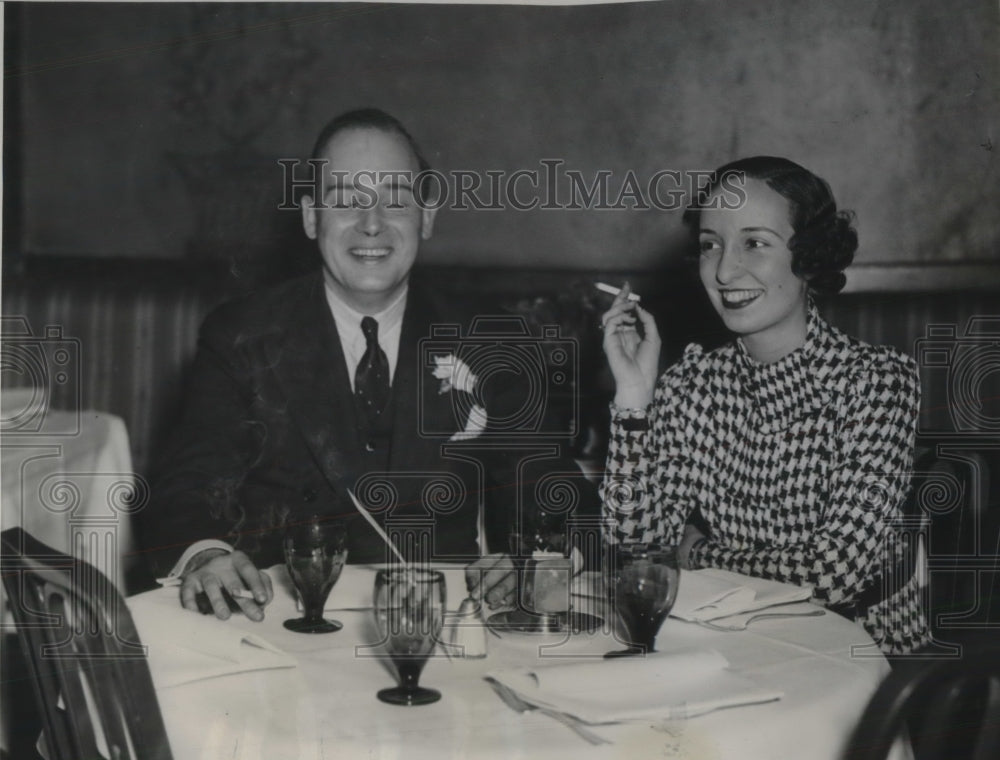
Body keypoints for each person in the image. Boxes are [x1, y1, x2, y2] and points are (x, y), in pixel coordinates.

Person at [142, 108, 593, 620]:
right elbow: (189, 483)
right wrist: (208, 552)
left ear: (427, 215)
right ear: (312, 217)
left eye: (395, 200)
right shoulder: (243, 335)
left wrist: (535, 559)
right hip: (283, 621)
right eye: (346, 200)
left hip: (439, 622)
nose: (372, 223)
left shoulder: (487, 339)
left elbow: (551, 487)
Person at [600, 156, 929, 655]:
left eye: (754, 243)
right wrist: (634, 401)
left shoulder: (877, 381)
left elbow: (832, 577)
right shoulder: (692, 384)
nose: (726, 270)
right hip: (735, 648)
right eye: (712, 245)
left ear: (809, 257)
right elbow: (635, 549)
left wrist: (699, 552)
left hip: (862, 658)